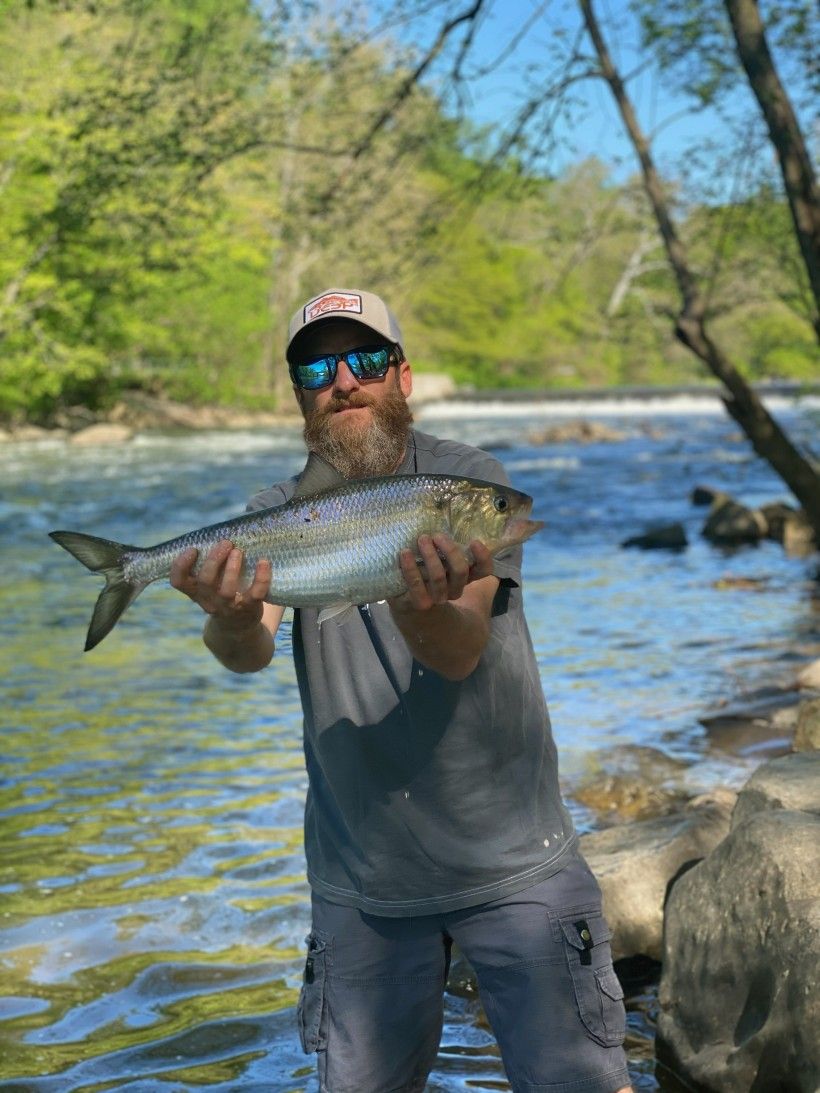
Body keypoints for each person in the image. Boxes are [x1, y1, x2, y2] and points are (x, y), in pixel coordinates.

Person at [170, 288, 633, 1093]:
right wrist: (230, 615)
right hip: (363, 879)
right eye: (318, 365)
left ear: (404, 376)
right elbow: (244, 651)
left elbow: (458, 650)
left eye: (367, 359)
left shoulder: (469, 483)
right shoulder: (274, 512)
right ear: (300, 394)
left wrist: (409, 594)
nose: (344, 379)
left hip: (513, 862)